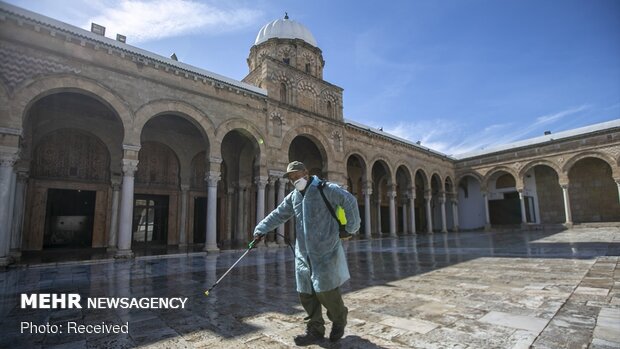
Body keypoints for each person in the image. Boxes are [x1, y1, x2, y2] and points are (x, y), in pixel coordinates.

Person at [253, 161, 361, 345]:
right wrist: (261, 229)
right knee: (306, 293)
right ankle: (315, 329)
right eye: (292, 178)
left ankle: (339, 318)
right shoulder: (294, 196)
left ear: (306, 172)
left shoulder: (325, 189)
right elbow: (279, 214)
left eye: (297, 175)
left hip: (325, 250)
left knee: (326, 290)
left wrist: (351, 228)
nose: (295, 180)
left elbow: (349, 200)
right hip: (303, 253)